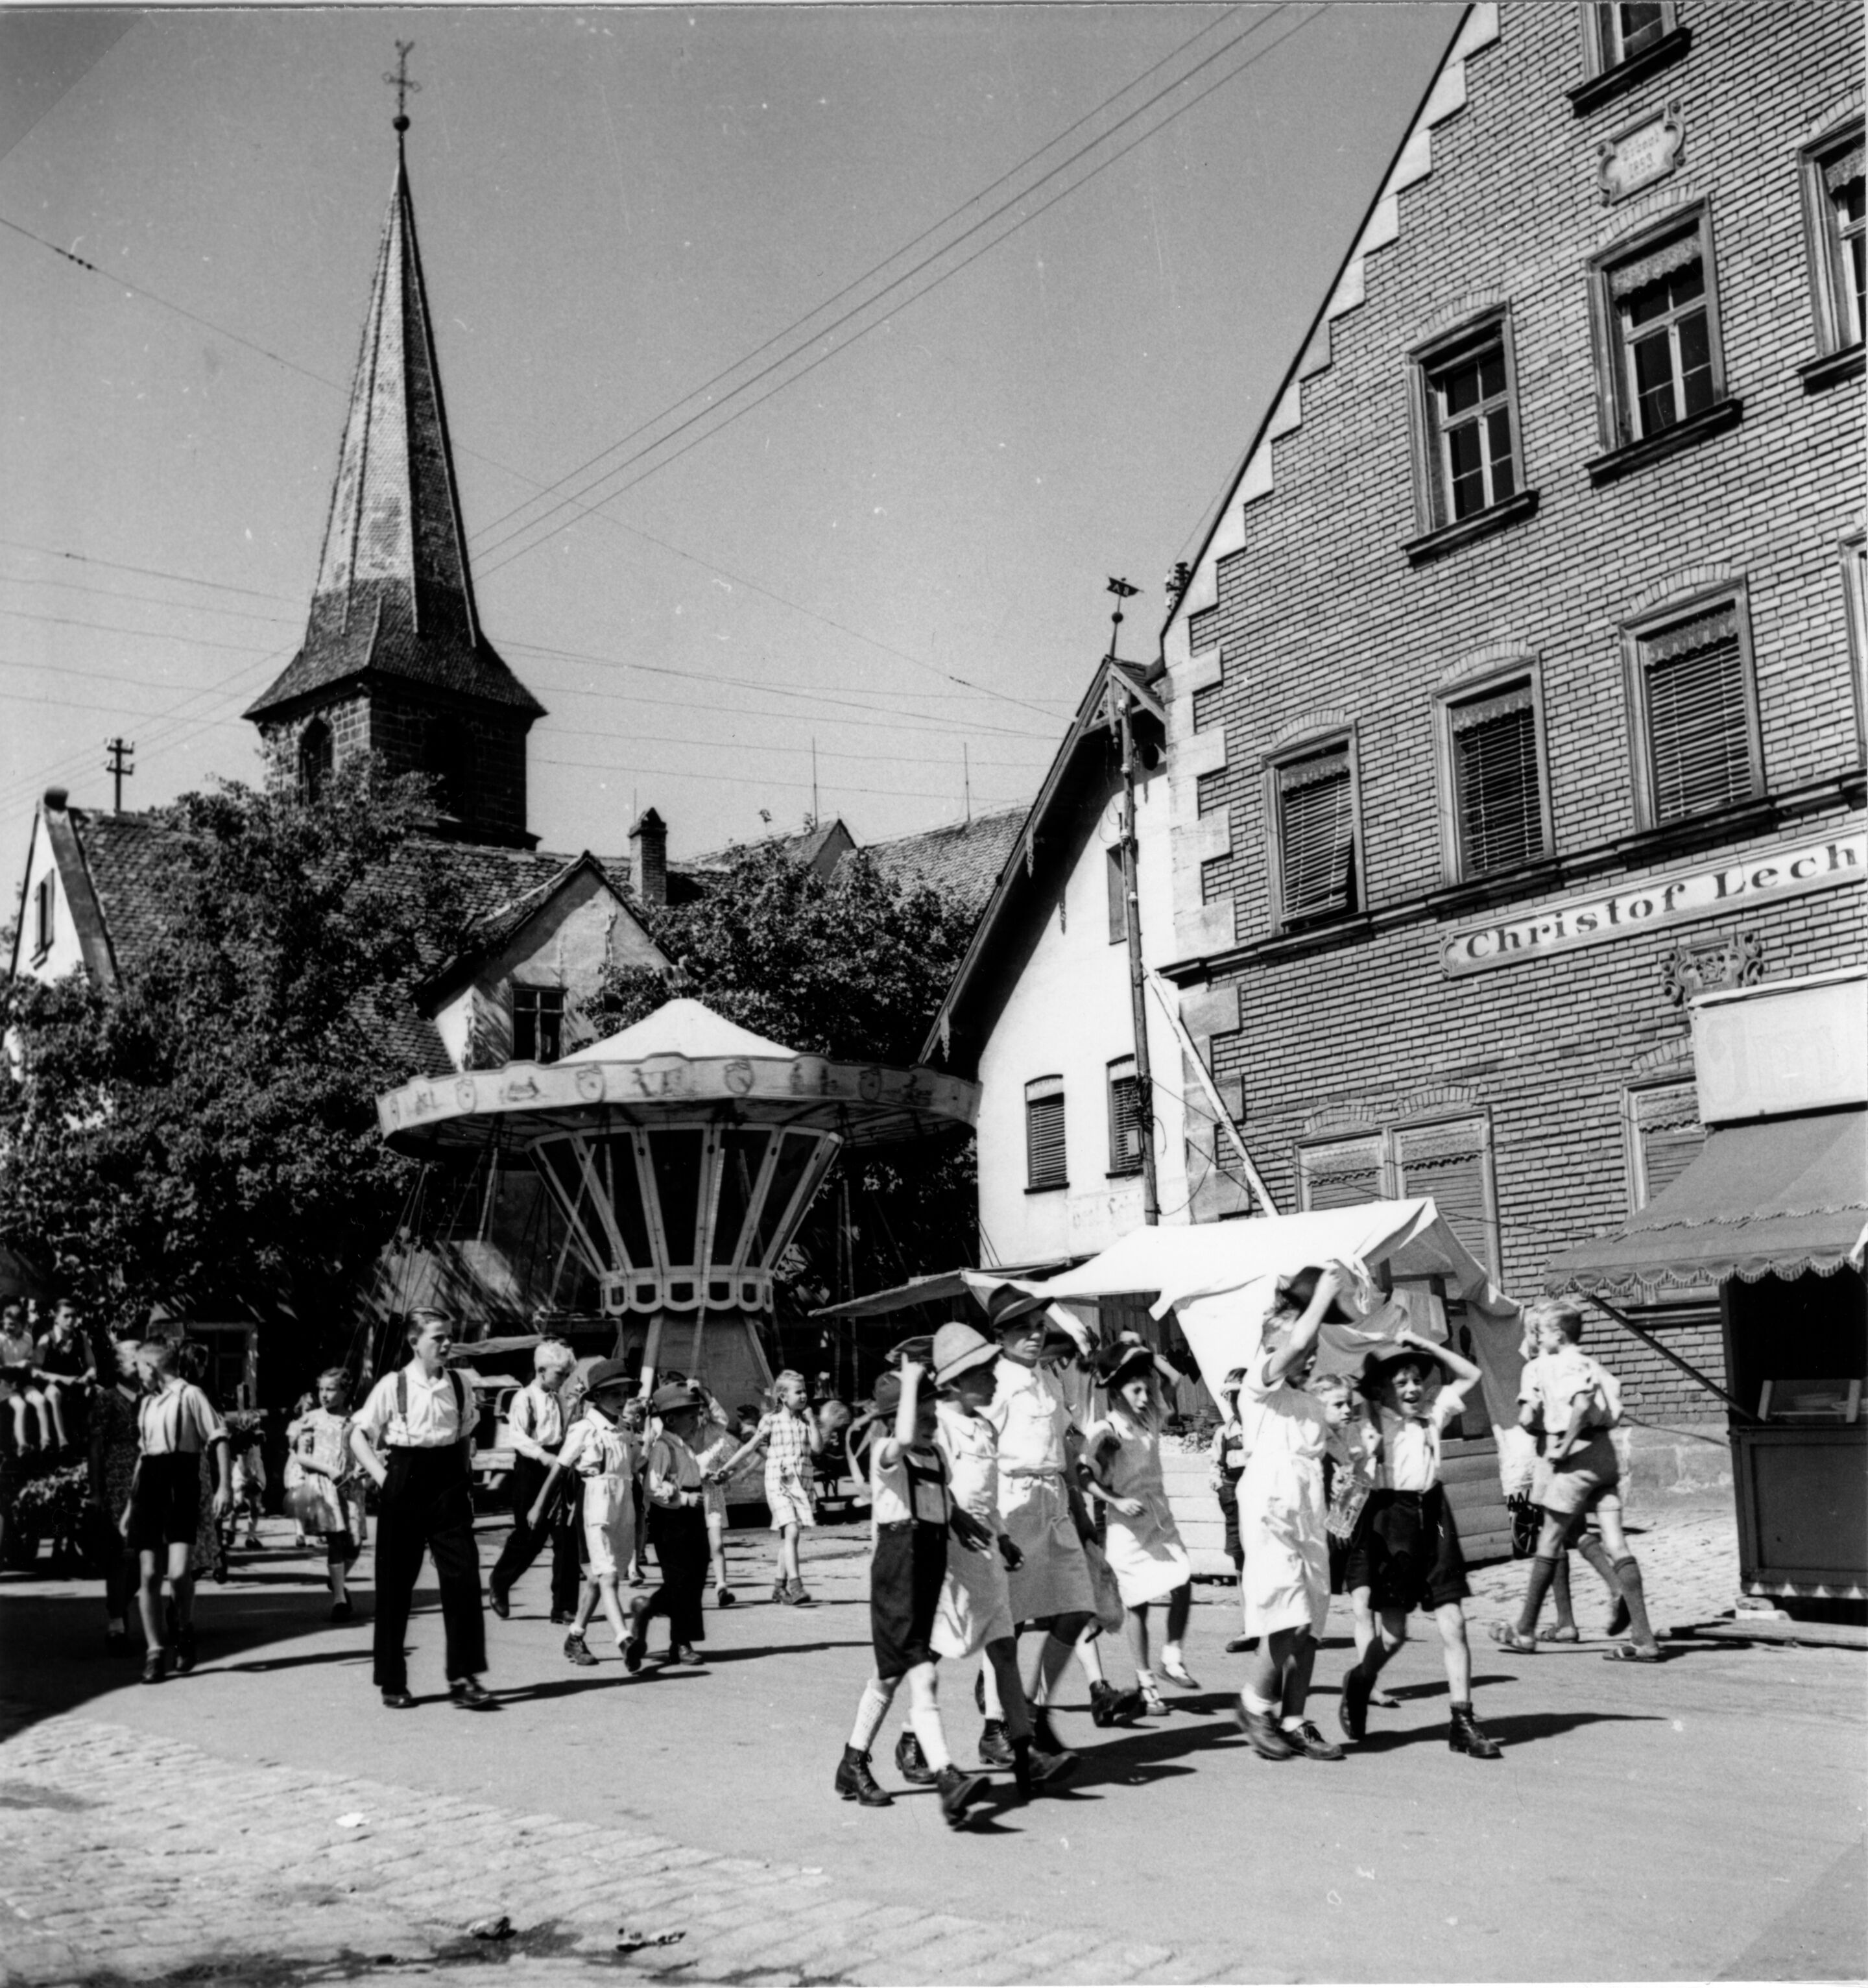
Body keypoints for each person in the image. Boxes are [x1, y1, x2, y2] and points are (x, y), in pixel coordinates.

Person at [974, 1284, 1141, 1749]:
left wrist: (1080, 1510)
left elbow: (1064, 1449)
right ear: (1000, 1335)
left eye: (1039, 1327)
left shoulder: (1047, 1379)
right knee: (1006, 1619)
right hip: (1012, 1502)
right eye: (1023, 1329)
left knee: (1078, 1605)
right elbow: (979, 1453)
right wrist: (987, 1522)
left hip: (1054, 1502)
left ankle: (1034, 1708)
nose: (1035, 1335)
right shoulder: (994, 1384)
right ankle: (995, 1726)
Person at [835, 1358, 988, 1825]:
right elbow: (902, 1439)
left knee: (889, 1675)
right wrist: (911, 1376)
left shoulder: (934, 1456)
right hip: (897, 1573)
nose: (930, 1423)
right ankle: (947, 1775)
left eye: (932, 1414)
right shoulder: (888, 1451)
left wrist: (963, 1521)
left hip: (928, 1570)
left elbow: (941, 1500)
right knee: (923, 1673)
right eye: (921, 1416)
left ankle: (852, 1762)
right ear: (895, 1418)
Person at [1337, 1332, 1502, 1758]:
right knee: (1394, 1636)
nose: (1412, 1389)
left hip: (1435, 1516)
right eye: (1401, 1383)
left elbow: (1471, 1374)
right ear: (1382, 1390)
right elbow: (1348, 1456)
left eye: (1416, 1380)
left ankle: (1462, 1722)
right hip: (1392, 1519)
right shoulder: (1370, 1423)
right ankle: (1360, 1680)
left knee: (1454, 1621)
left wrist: (1426, 1346)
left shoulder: (1433, 1413)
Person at [1490, 1300, 1662, 1662]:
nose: (1536, 1338)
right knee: (1616, 1543)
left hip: (1571, 1456)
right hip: (1604, 1455)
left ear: (1556, 1333)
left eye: (1539, 1332)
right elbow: (1613, 1405)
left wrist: (1563, 1446)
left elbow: (1557, 1412)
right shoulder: (1591, 1364)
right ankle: (1643, 1638)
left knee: (1549, 1540)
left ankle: (1525, 1629)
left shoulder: (1546, 1367)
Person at [1232, 1265, 1349, 1763]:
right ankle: (1254, 1704)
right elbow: (1296, 1343)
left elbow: (1336, 1452)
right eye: (1301, 1345)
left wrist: (1348, 1470)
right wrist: (1322, 1296)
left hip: (1308, 1512)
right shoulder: (1258, 1388)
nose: (1309, 1352)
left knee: (1311, 1623)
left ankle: (1294, 1719)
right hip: (1270, 1510)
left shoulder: (1309, 1403)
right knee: (1287, 1614)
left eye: (1315, 1346)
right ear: (1270, 1350)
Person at [350, 1310, 494, 1710]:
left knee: (463, 1577)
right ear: (415, 1342)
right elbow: (358, 1434)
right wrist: (384, 1478)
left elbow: (464, 1436)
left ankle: (464, 1677)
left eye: (449, 1336)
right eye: (437, 1338)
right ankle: (392, 1680)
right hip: (404, 1479)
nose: (447, 1344)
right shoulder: (393, 1385)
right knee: (395, 1586)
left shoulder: (459, 1384)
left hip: (448, 1483)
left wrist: (463, 1484)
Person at [1083, 1340, 1197, 1714]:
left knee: (1183, 1580)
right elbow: (1085, 1477)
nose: (1146, 1397)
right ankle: (1146, 1684)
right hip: (1126, 1528)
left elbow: (1175, 1379)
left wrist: (1145, 1353)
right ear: (1116, 1392)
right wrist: (1115, 1500)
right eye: (1136, 1391)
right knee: (1139, 1605)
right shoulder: (1106, 1430)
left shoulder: (1149, 1419)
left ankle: (1171, 1658)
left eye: (1148, 1390)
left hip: (1159, 1519)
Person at [126, 1339, 231, 1683]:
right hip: (149, 1485)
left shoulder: (190, 1395)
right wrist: (130, 1505)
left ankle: (184, 1629)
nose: (136, 1373)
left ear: (152, 1367)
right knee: (148, 1574)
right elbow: (143, 1456)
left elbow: (219, 1437)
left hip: (180, 1483)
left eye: (139, 1367)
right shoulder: (146, 1402)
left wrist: (225, 1487)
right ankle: (155, 1651)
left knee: (180, 1571)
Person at [529, 1358, 639, 1665]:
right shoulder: (584, 1429)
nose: (622, 1400)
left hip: (623, 1505)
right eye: (615, 1394)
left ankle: (575, 1636)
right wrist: (539, 1505)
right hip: (595, 1504)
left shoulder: (625, 1429)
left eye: (625, 1393)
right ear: (598, 1396)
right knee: (608, 1576)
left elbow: (633, 1466)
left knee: (597, 1578)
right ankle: (624, 1639)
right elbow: (560, 1468)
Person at [711, 1369, 823, 1605]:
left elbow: (817, 1448)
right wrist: (727, 1469)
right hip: (779, 1482)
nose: (804, 1396)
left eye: (805, 1391)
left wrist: (813, 1421)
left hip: (802, 1482)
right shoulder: (771, 1420)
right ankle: (796, 1586)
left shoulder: (805, 1421)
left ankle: (779, 1588)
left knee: (790, 1536)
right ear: (783, 1396)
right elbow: (749, 1448)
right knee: (791, 1530)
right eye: (798, 1392)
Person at [488, 1339, 581, 1625]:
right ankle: (501, 1581)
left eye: (567, 1375)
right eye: (560, 1374)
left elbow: (563, 1432)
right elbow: (517, 1436)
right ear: (541, 1371)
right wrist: (542, 1456)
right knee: (530, 1535)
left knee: (566, 1538)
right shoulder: (524, 1398)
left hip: (557, 1466)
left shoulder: (558, 1399)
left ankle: (564, 1605)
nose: (564, 1380)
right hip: (531, 1468)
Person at [626, 1382, 711, 1669]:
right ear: (672, 1419)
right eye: (691, 1416)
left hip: (693, 1516)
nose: (697, 1422)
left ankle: (649, 1610)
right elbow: (652, 1487)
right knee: (680, 1580)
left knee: (696, 1576)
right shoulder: (663, 1447)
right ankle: (681, 1642)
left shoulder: (685, 1445)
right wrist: (684, 1499)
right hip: (672, 1520)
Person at [292, 1369, 366, 1620]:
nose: (324, 1395)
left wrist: (361, 1469)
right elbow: (302, 1456)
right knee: (336, 1540)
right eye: (321, 1389)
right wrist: (327, 1469)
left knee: (355, 1542)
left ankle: (336, 1580)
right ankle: (339, 1600)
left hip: (350, 1487)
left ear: (345, 1392)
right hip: (325, 1486)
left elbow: (362, 1451)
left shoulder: (355, 1420)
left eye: (331, 1389)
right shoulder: (311, 1419)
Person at [86, 1337, 144, 1653]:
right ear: (119, 1366)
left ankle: (121, 1606)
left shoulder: (150, 1397)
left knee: (147, 1554)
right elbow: (96, 1447)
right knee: (122, 1555)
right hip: (119, 1480)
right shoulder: (107, 1399)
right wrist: (96, 1491)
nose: (141, 1366)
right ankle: (116, 1622)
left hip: (149, 1477)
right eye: (135, 1361)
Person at [1208, 1369, 1254, 1655]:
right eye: (1231, 1397)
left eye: (1241, 1395)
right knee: (1241, 1566)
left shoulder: (1261, 1430)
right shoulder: (1224, 1433)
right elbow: (1215, 1465)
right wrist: (1219, 1486)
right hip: (1235, 1503)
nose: (1236, 1403)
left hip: (1259, 1503)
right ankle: (1250, 1626)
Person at [690, 1404, 740, 1607]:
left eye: (702, 1413)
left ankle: (722, 1587)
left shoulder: (718, 1441)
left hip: (713, 1497)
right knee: (694, 1548)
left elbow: (733, 1465)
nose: (698, 1418)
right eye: (694, 1414)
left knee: (717, 1544)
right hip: (691, 1497)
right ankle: (690, 1591)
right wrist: (699, 1474)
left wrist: (723, 1475)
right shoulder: (684, 1441)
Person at [1, 1298, 58, 1455]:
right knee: (20, 1406)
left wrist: (28, 1365)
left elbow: (30, 1361)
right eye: (6, 1324)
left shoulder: (27, 1339)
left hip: (23, 1382)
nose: (8, 1328)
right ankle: (22, 1446)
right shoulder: (1, 1340)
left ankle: (45, 1442)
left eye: (13, 1325)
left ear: (23, 1324)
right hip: (5, 1386)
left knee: (40, 1400)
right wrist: (14, 1366)